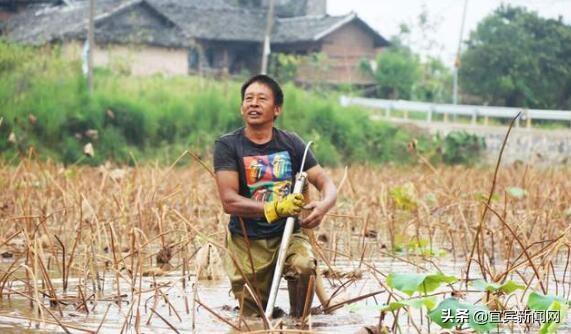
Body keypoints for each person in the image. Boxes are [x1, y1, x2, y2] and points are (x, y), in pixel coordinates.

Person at [213, 74, 337, 317]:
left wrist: (323, 206)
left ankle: (299, 324)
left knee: (303, 268)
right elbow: (229, 201)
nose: (253, 104)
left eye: (262, 99)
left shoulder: (292, 144)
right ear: (241, 108)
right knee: (253, 317)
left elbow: (325, 182)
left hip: (288, 234)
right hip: (247, 241)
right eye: (248, 99)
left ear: (277, 109)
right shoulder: (228, 146)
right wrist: (275, 208)